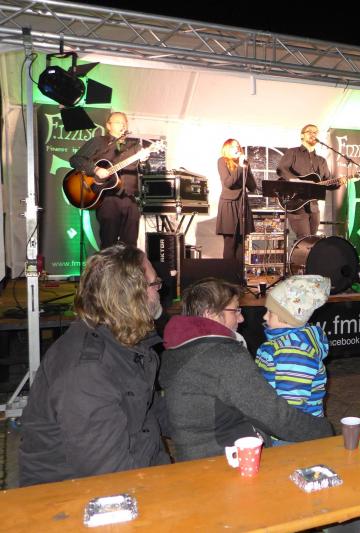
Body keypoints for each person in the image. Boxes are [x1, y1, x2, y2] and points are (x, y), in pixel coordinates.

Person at [19, 244, 170, 486]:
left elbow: (146, 409)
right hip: (71, 494)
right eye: (155, 284)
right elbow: (107, 474)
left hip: (137, 468)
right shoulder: (88, 371)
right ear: (132, 295)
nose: (159, 290)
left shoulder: (126, 340)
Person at [159, 277, 333, 461]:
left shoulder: (177, 349)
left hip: (197, 455)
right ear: (211, 314)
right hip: (227, 458)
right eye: (235, 310)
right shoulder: (223, 356)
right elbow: (275, 416)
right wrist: (325, 431)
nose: (241, 318)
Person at [255, 275, 331, 444]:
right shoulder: (282, 345)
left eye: (270, 312)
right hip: (279, 427)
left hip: (291, 435)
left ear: (287, 317)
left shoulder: (293, 352)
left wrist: (275, 432)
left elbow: (292, 405)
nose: (265, 317)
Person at [69, 112, 147, 249]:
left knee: (130, 245)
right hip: (108, 198)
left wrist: (144, 161)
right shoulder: (99, 142)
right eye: (118, 122)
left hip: (130, 198)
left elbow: (144, 170)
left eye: (125, 122)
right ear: (108, 126)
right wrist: (95, 169)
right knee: (108, 243)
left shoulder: (135, 146)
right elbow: (76, 160)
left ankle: (128, 264)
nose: (123, 125)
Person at [276, 124, 344, 241]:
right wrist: (296, 181)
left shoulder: (321, 160)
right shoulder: (292, 152)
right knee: (304, 238)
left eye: (315, 132)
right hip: (295, 202)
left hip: (313, 205)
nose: (313, 134)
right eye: (309, 132)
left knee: (312, 240)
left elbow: (327, 182)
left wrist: (339, 182)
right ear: (302, 135)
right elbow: (281, 169)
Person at [216, 139, 257, 261]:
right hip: (229, 204)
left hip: (242, 205)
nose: (237, 148)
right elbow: (229, 183)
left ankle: (238, 272)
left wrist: (246, 168)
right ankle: (228, 271)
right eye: (234, 146)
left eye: (238, 146)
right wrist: (239, 167)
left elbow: (252, 187)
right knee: (230, 242)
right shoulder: (222, 161)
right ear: (227, 148)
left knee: (241, 244)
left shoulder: (243, 163)